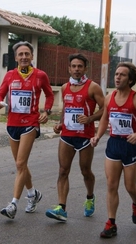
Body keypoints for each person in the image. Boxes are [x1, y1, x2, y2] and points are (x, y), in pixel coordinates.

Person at [90, 62, 136, 238]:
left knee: (129, 186)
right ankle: (111, 223)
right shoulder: (110, 97)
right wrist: (97, 135)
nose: (118, 77)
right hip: (114, 144)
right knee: (111, 184)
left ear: (130, 79)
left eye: (122, 75)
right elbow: (105, 118)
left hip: (131, 146)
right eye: (116, 74)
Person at [0, 41, 54, 219]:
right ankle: (33, 194)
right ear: (15, 58)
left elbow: (50, 94)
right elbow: (0, 93)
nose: (24, 57)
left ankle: (13, 204)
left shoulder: (40, 75)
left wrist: (47, 111)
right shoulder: (10, 75)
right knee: (21, 165)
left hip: (30, 123)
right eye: (20, 54)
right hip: (12, 124)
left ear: (32, 56)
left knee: (21, 164)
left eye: (27, 54)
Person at [45, 53, 105, 222]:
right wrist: (60, 124)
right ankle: (61, 208)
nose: (76, 69)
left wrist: (90, 118)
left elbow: (105, 109)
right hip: (67, 135)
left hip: (85, 136)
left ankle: (90, 197)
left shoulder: (93, 87)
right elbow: (66, 109)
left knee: (85, 171)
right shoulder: (65, 87)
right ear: (69, 68)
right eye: (74, 66)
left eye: (80, 66)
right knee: (63, 170)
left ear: (85, 68)